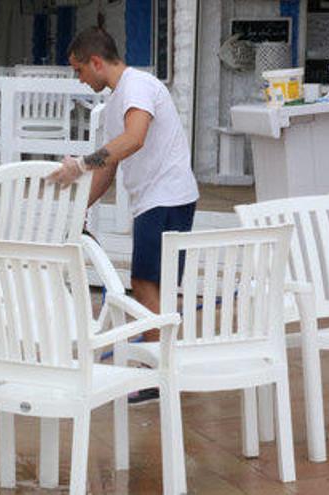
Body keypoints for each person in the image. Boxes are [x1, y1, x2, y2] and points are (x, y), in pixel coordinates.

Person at [50, 27, 199, 401]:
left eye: (79, 70)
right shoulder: (120, 99)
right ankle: (164, 368)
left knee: (147, 283)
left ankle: (157, 374)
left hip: (166, 197)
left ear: (96, 62)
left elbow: (134, 139)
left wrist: (80, 164)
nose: (80, 79)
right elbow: (110, 167)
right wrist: (78, 208)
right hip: (158, 199)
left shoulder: (137, 86)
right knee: (155, 283)